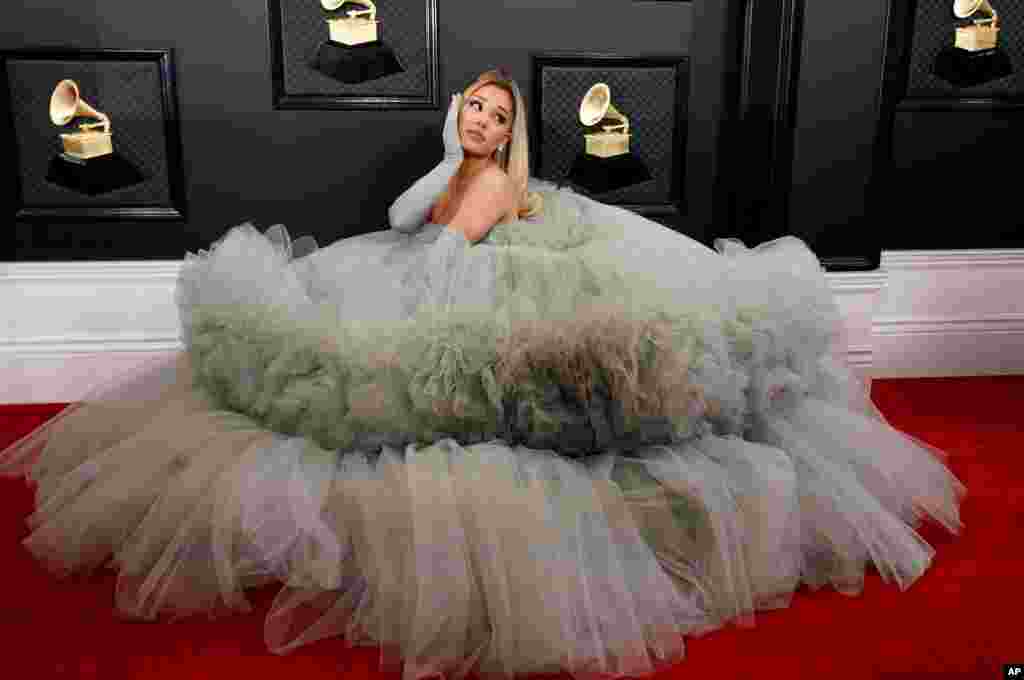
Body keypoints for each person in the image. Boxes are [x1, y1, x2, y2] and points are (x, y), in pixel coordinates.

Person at [0, 68, 965, 680]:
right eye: (475, 108)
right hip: (436, 249)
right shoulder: (464, 166)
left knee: (435, 384)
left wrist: (437, 242)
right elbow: (408, 209)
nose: (484, 122)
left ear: (512, 135)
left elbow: (440, 253)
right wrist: (449, 148)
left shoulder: (495, 181)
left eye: (497, 117)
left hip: (465, 278)